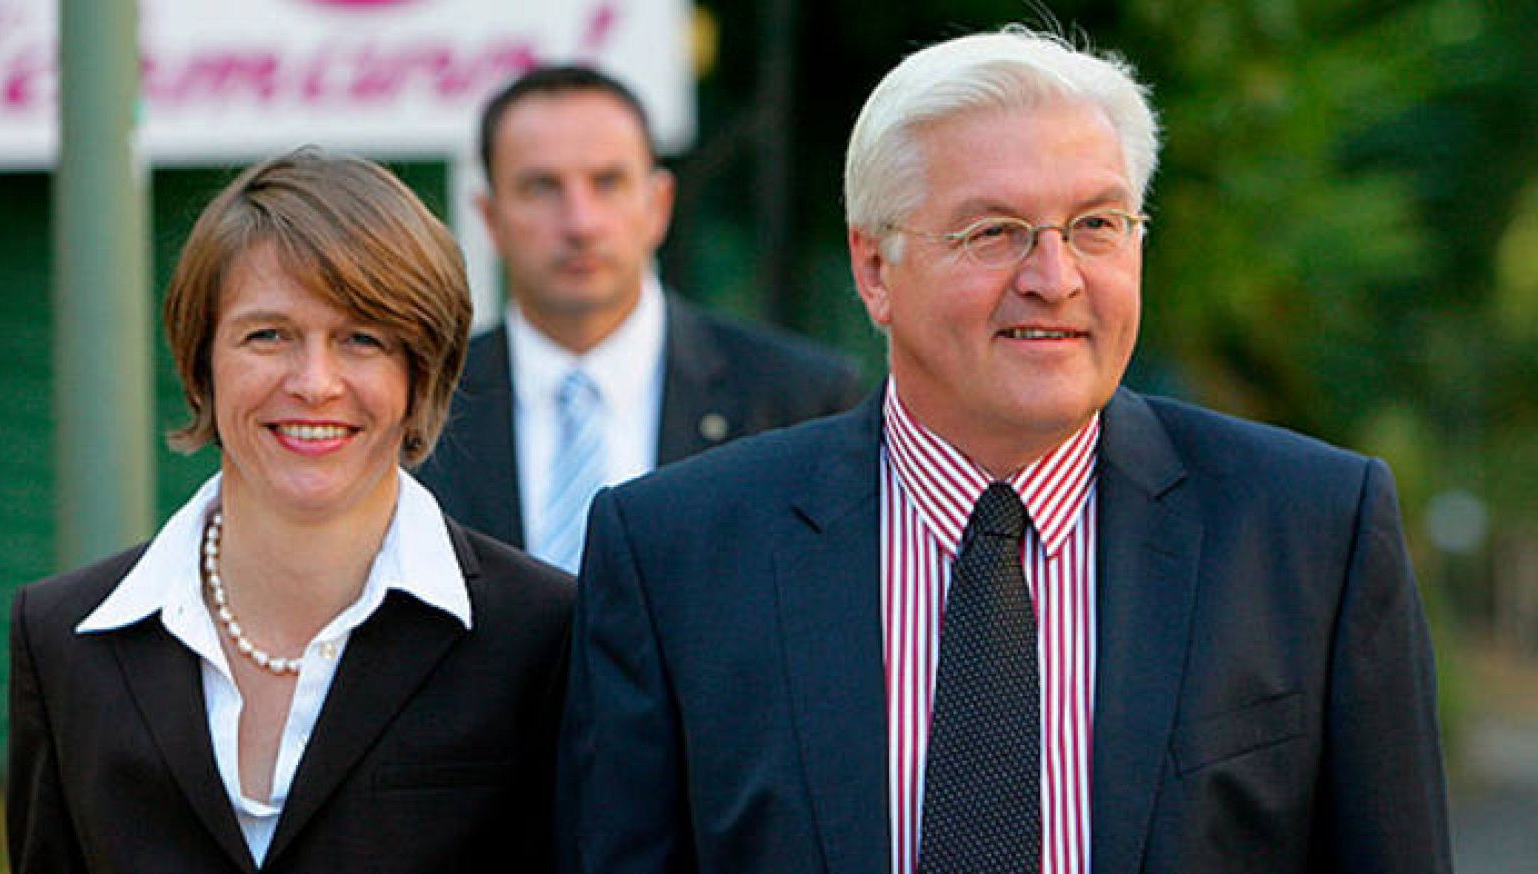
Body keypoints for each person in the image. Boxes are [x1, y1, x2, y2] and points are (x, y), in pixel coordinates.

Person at [557, 26, 1451, 873]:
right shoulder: (678, 556)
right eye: (993, 232)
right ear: (874, 269)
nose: (1055, 279)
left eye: (1096, 226)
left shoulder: (1311, 534)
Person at [8, 149, 573, 873]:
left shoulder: (542, 633)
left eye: (362, 339)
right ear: (202, 362)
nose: (314, 383)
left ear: (420, 373)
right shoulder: (64, 639)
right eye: (268, 335)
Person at [417, 65, 863, 573]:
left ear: (659, 204)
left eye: (607, 182)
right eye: (542, 187)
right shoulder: (422, 406)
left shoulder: (800, 400)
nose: (580, 222)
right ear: (490, 217)